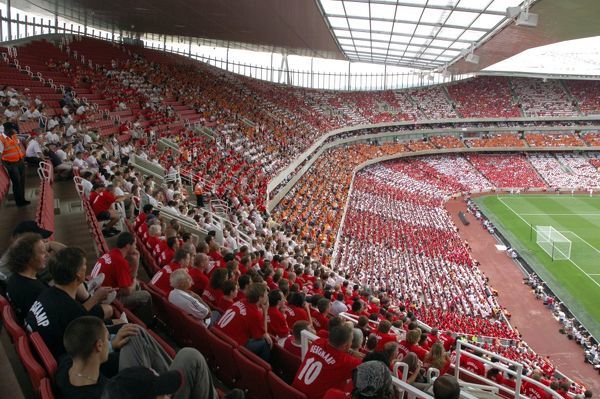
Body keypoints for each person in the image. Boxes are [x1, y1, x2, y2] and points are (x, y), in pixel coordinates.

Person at [90, 232, 152, 323]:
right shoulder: (120, 261)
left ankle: (134, 314)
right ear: (127, 246)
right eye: (134, 244)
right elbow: (128, 291)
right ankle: (145, 323)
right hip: (106, 299)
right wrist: (134, 277)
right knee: (146, 295)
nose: (135, 247)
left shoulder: (111, 253)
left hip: (95, 292)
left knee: (137, 285)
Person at [293, 323, 362, 399]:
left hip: (292, 391)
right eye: (351, 341)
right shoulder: (347, 362)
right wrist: (352, 352)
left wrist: (350, 351)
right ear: (345, 345)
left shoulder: (317, 342)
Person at [215, 282, 272, 361]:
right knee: (266, 343)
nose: (267, 297)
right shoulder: (255, 313)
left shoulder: (242, 300)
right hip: (228, 345)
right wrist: (265, 312)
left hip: (217, 336)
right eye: (266, 294)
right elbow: (261, 335)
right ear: (260, 297)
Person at [1, 121, 29, 206]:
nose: (14, 130)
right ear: (7, 130)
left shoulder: (13, 137)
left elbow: (18, 147)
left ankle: (23, 199)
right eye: (13, 129)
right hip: (11, 164)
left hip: (20, 161)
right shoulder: (1, 139)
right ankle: (19, 202)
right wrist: (6, 166)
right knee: (16, 182)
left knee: (22, 181)